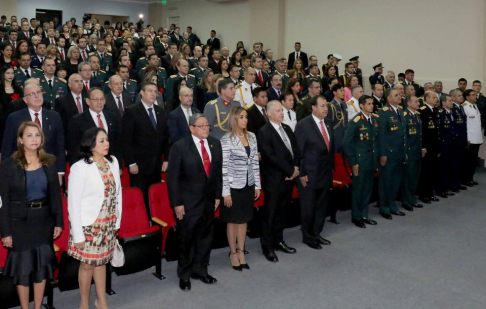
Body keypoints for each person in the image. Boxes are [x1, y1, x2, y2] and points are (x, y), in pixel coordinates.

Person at [0, 121, 63, 309]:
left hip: (44, 221)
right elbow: (3, 201)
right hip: (19, 224)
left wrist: (58, 222)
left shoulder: (49, 161)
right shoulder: (9, 164)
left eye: (37, 135)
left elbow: (56, 195)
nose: (34, 139)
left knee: (41, 269)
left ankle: (37, 307)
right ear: (20, 139)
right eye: (29, 135)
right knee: (23, 271)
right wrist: (5, 232)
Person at [67, 127, 122, 309]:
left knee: (102, 263)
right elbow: (73, 203)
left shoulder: (112, 162)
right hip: (89, 225)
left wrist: (117, 222)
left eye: (107, 140)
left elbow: (118, 194)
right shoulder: (80, 167)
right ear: (91, 145)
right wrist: (78, 235)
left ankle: (101, 301)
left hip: (108, 223)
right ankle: (84, 304)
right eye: (101, 141)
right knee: (87, 266)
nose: (106, 144)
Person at [167, 113, 222, 291]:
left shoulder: (215, 144)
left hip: (208, 201)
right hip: (188, 202)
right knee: (186, 239)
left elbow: (217, 174)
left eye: (207, 125)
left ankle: (201, 270)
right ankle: (184, 275)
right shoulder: (180, 147)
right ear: (192, 128)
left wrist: (217, 196)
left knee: (205, 238)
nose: (206, 128)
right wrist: (176, 203)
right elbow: (173, 178)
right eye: (202, 126)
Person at [257, 101, 300, 262]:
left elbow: (295, 150)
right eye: (277, 111)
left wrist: (295, 168)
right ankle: (267, 246)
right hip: (274, 179)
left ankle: (278, 240)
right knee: (271, 213)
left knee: (282, 212)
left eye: (282, 110)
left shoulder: (287, 128)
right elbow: (270, 156)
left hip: (289, 178)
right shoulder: (264, 132)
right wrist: (289, 171)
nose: (281, 113)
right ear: (269, 113)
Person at [220, 106, 261, 270]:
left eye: (246, 117)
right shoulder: (226, 139)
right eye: (242, 117)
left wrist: (257, 184)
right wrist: (226, 192)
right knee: (233, 221)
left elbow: (255, 163)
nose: (245, 120)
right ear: (234, 119)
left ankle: (241, 250)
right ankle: (232, 252)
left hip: (248, 184)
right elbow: (224, 167)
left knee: (244, 219)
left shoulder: (252, 137)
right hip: (233, 186)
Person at [122, 82, 169, 214]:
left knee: (154, 198)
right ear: (142, 93)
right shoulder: (132, 111)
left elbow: (165, 137)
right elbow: (126, 140)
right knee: (140, 199)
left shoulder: (160, 111)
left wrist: (166, 159)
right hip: (139, 165)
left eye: (155, 91)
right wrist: (131, 162)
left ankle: (154, 222)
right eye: (150, 91)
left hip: (156, 165)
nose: (153, 94)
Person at [295, 96, 334, 249]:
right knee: (308, 207)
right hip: (309, 174)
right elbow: (298, 152)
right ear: (313, 108)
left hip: (325, 172)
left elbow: (329, 149)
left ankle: (317, 233)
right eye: (322, 106)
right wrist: (302, 173)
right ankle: (308, 236)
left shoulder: (329, 124)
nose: (326, 109)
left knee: (321, 206)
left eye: (326, 106)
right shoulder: (303, 125)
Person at [2, 83, 66, 177]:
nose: (37, 96)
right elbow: (7, 147)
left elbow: (60, 146)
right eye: (32, 94)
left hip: (49, 168)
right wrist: (5, 173)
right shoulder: (14, 118)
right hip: (22, 169)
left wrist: (60, 172)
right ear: (25, 99)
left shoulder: (54, 116)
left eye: (38, 92)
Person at [343, 95, 379, 228]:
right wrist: (353, 162)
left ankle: (365, 214)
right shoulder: (356, 121)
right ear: (362, 106)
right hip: (360, 161)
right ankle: (356, 216)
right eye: (368, 104)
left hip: (371, 160)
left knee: (368, 189)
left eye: (372, 103)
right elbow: (347, 143)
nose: (371, 106)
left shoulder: (374, 119)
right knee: (359, 190)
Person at [67, 87, 122, 168]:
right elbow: (73, 148)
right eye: (96, 99)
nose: (99, 102)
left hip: (110, 164)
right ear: (88, 101)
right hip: (88, 165)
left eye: (102, 99)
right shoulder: (77, 120)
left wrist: (119, 165)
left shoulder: (113, 117)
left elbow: (118, 143)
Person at [377, 89, 407, 219]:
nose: (400, 96)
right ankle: (384, 208)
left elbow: (403, 135)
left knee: (395, 181)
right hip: (388, 154)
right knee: (386, 181)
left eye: (400, 95)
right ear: (389, 99)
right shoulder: (383, 112)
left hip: (399, 152)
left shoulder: (400, 111)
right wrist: (383, 154)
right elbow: (381, 135)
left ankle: (392, 204)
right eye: (396, 95)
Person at [401, 95, 424, 210]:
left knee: (415, 177)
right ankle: (406, 201)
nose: (418, 104)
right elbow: (404, 136)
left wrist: (422, 148)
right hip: (409, 151)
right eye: (415, 102)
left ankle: (412, 198)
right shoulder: (405, 116)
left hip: (417, 150)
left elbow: (419, 135)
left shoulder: (417, 116)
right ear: (409, 103)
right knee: (408, 177)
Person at [417, 91, 441, 203]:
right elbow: (422, 132)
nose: (436, 99)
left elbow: (437, 131)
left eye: (436, 97)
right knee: (425, 171)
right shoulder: (422, 111)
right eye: (433, 97)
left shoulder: (436, 110)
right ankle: (423, 194)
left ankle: (430, 192)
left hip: (435, 145)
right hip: (427, 146)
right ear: (426, 99)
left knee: (433, 170)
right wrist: (423, 147)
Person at [462, 89, 483, 186]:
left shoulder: (474, 106)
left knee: (473, 160)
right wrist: (467, 138)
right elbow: (465, 124)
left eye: (475, 94)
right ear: (467, 97)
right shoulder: (465, 107)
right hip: (470, 138)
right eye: (473, 95)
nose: (476, 96)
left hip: (476, 137)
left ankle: (470, 178)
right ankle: (466, 179)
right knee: (468, 160)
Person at [436, 95, 455, 198]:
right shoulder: (441, 113)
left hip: (450, 143)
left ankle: (446, 187)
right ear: (443, 103)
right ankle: (440, 189)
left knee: (448, 166)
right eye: (450, 100)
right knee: (442, 167)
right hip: (444, 144)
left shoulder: (450, 113)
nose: (452, 102)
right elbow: (440, 131)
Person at [450, 89, 468, 191]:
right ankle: (453, 183)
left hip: (461, 138)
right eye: (459, 95)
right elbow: (454, 125)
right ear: (453, 98)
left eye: (462, 95)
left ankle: (457, 182)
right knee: (455, 163)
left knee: (460, 162)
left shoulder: (461, 107)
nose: (462, 97)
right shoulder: (452, 108)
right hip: (456, 139)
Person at [326, 84, 347, 154]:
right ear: (335, 93)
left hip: (344, 135)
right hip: (336, 136)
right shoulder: (331, 106)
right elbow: (329, 123)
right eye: (341, 91)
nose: (343, 93)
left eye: (343, 91)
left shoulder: (344, 104)